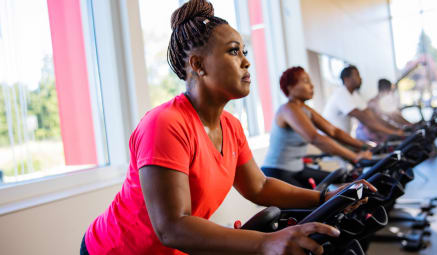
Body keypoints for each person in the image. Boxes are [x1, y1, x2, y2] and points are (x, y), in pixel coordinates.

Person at [80, 1, 376, 255]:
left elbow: (259, 186)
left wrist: (327, 196)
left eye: (244, 51)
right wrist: (263, 243)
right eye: (234, 52)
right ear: (198, 64)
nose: (246, 61)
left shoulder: (230, 126)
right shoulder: (165, 124)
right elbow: (171, 227)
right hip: (115, 248)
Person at [261, 66, 372, 188]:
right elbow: (315, 138)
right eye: (306, 81)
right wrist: (355, 157)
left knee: (344, 178)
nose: (312, 86)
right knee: (318, 201)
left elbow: (334, 131)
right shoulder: (287, 109)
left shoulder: (305, 109)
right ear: (290, 87)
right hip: (277, 173)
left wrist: (365, 147)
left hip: (298, 169)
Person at [323, 66, 404, 141]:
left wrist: (396, 129)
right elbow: (365, 119)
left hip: (342, 137)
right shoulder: (341, 94)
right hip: (331, 139)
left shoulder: (354, 95)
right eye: (357, 75)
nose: (360, 78)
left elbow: (372, 116)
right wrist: (393, 132)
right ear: (346, 79)